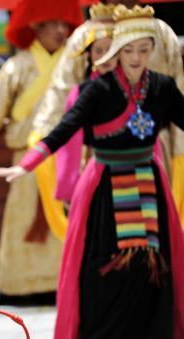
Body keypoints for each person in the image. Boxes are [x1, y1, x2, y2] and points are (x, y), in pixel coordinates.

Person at [0, 5, 184, 339]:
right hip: (106, 187)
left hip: (149, 182)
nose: (136, 57)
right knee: (106, 265)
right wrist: (25, 165)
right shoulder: (98, 90)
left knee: (150, 265)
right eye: (129, 50)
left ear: (152, 50)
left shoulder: (162, 88)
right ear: (117, 52)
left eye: (143, 49)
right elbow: (65, 129)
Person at [0, 0, 83, 300]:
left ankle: (70, 286)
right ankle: (18, 289)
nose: (61, 31)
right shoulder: (17, 67)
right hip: (26, 161)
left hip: (68, 159)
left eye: (64, 24)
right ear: (36, 26)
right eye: (54, 24)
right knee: (22, 223)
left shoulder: (76, 64)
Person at [31, 0, 184, 224]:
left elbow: (178, 90)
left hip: (154, 148)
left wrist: (180, 153)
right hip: (101, 152)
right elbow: (63, 95)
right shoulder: (84, 36)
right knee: (104, 223)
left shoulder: (161, 32)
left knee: (154, 223)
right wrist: (42, 143)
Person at [52, 3, 117, 205]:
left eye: (111, 50)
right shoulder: (80, 93)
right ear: (89, 55)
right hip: (94, 166)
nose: (105, 56)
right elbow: (69, 138)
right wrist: (69, 184)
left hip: (132, 167)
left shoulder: (136, 88)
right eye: (99, 50)